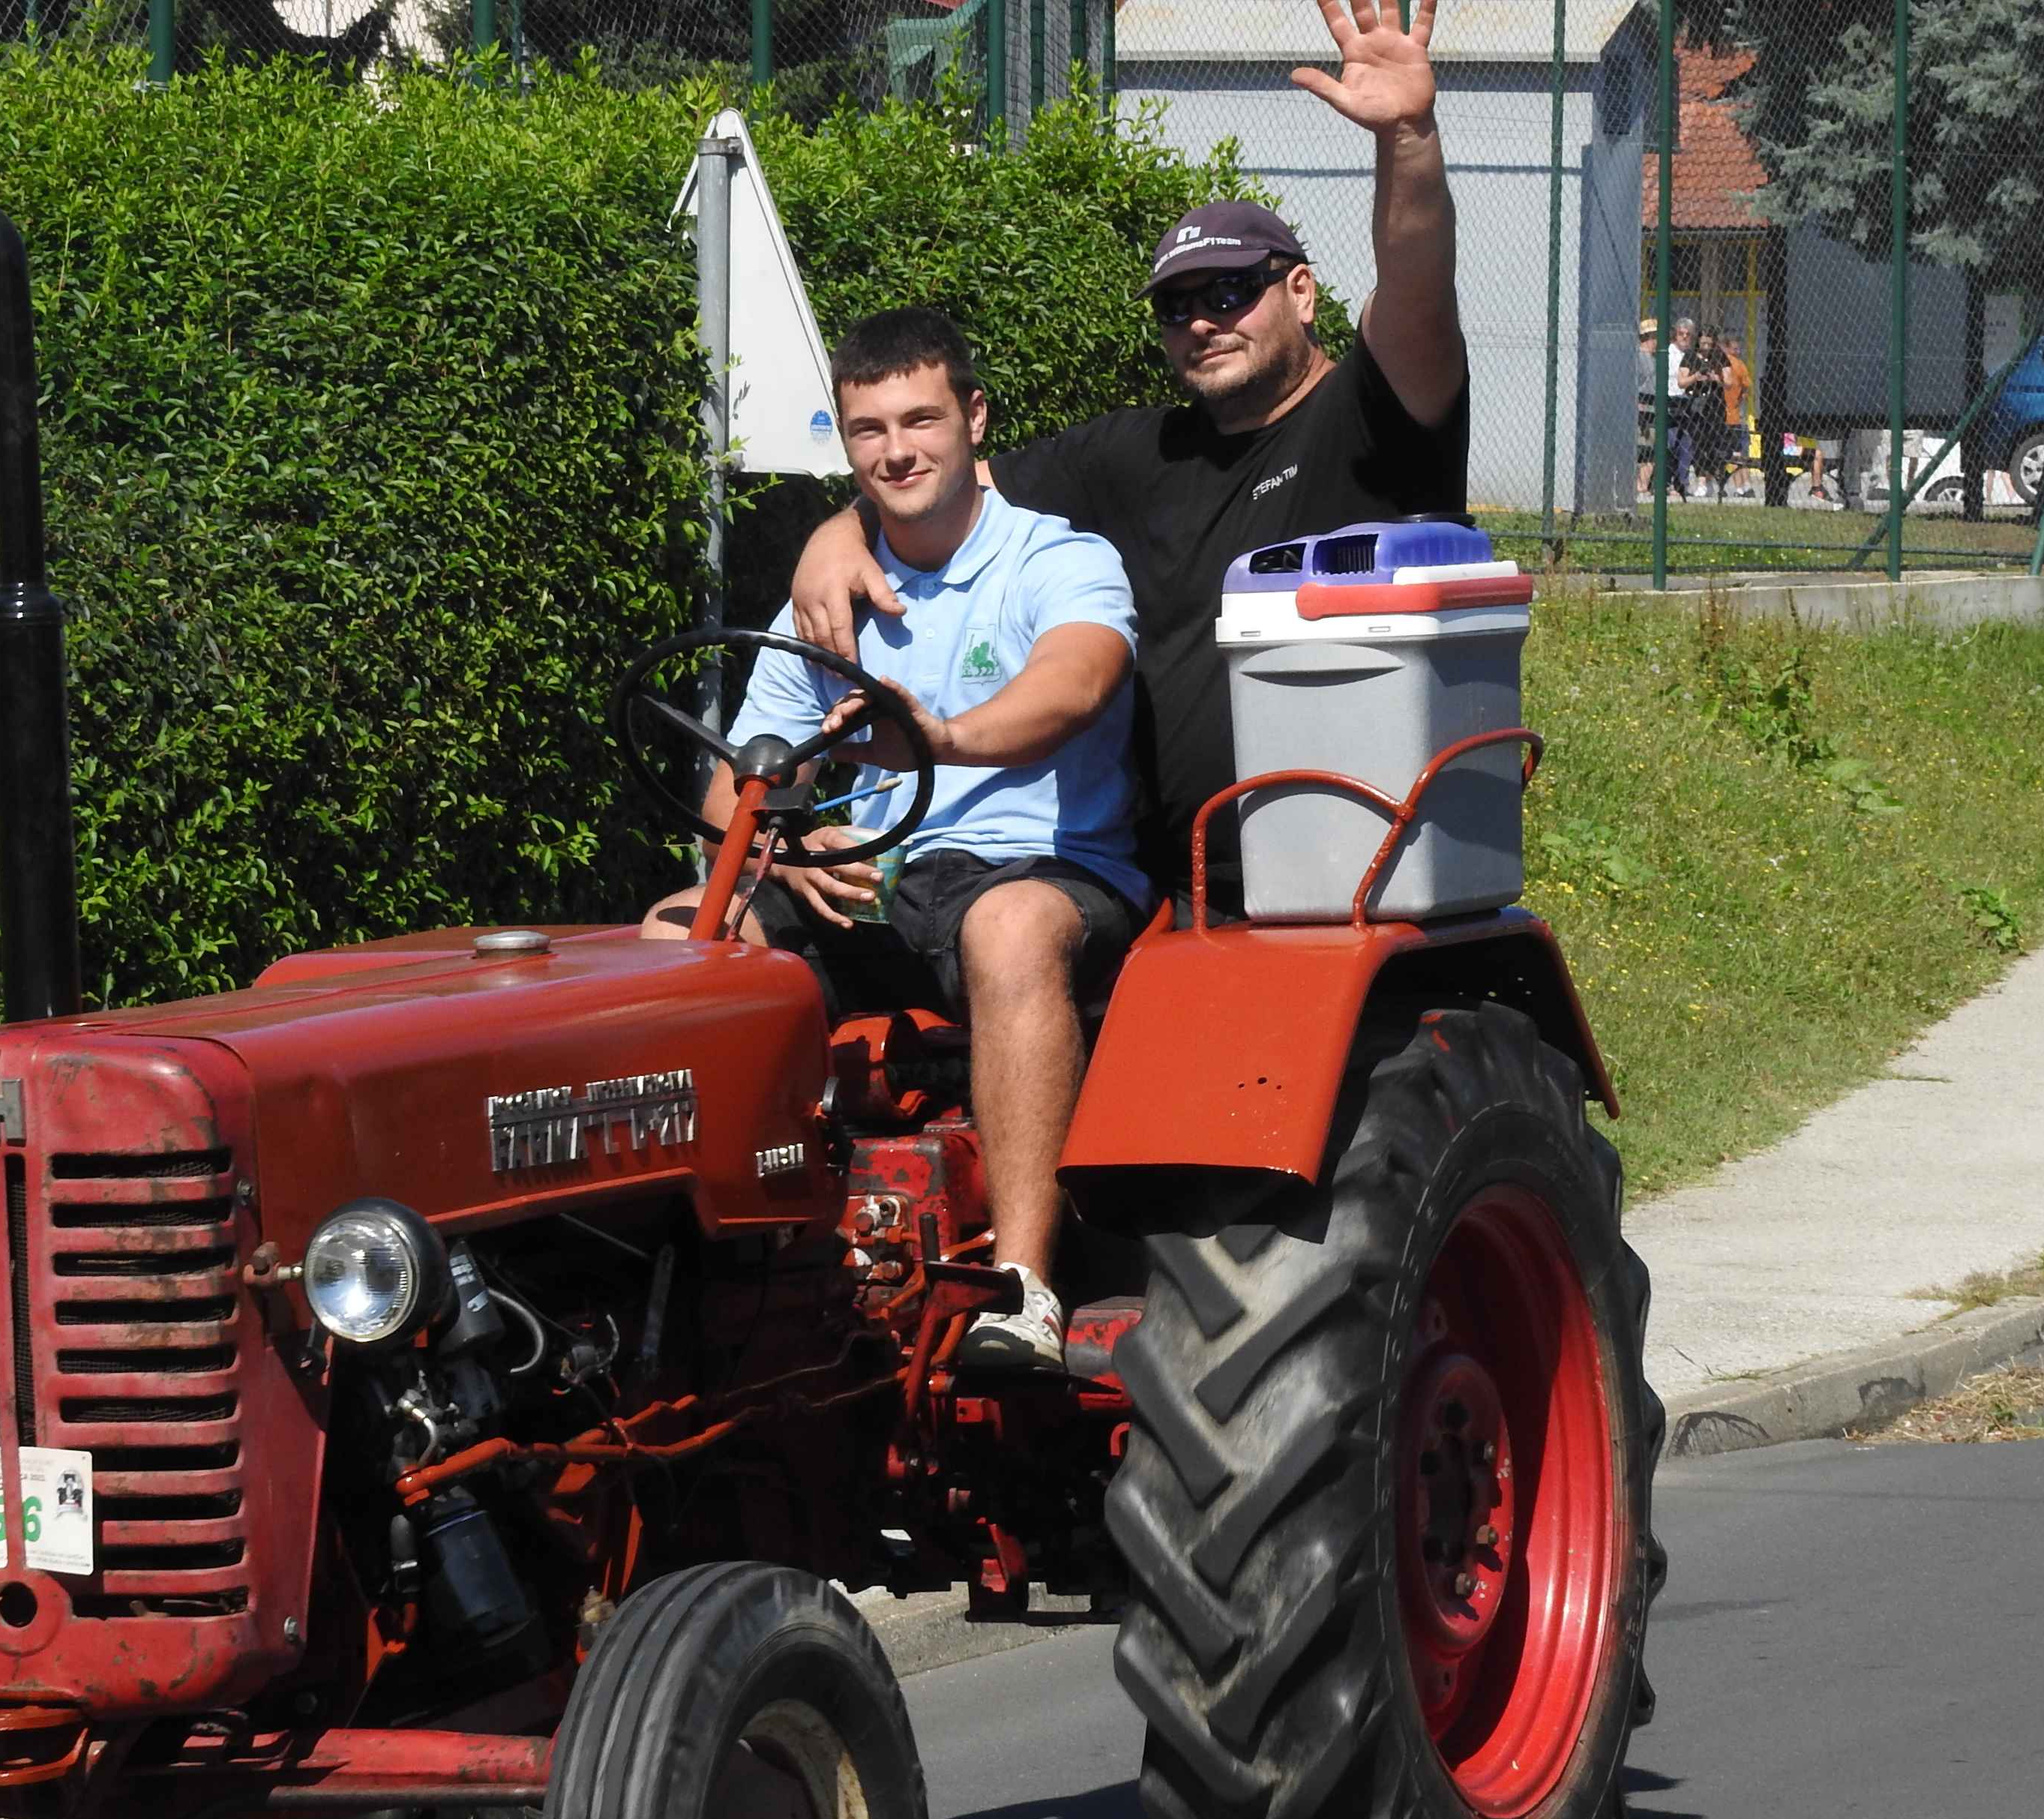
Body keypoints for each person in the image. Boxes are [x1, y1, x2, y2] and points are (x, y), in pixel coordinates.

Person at [789, 0, 1467, 915]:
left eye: (1230, 292)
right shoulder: (1135, 451)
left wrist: (1410, 141)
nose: (1200, 321)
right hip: (1165, 884)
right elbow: (935, 486)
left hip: (1355, 875)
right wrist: (838, 534)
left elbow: (1417, 281)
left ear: (1301, 293)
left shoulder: (1372, 417)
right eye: (1175, 305)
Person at [640, 307, 1143, 1373]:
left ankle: (1026, 1291)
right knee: (681, 928)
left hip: (1038, 869)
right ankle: (699, 1270)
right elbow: (745, 782)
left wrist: (943, 738)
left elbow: (1080, 679)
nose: (898, 450)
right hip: (874, 880)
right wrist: (795, 849)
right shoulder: (830, 594)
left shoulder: (1055, 560)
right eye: (870, 430)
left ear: (973, 419)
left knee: (1007, 930)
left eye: (921, 420)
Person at [1683, 328, 1726, 499]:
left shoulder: (1720, 358)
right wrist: (1696, 377)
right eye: (1703, 343)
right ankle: (1701, 481)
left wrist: (1716, 378)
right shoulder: (1690, 357)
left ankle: (1709, 480)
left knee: (1713, 445)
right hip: (1696, 406)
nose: (1706, 346)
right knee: (1698, 444)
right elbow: (1682, 381)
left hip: (1715, 407)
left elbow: (1729, 382)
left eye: (1710, 343)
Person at [1663, 317, 1697, 502]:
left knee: (1686, 445)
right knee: (1670, 444)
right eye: (1681, 334)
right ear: (1675, 334)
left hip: (1687, 403)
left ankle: (1682, 483)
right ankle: (1667, 483)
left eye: (1688, 335)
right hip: (1670, 402)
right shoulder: (1668, 353)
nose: (1684, 337)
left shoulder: (1692, 355)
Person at [1719, 333, 1756, 498]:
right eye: (1735, 348)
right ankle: (1745, 486)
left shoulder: (1720, 365)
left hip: (1724, 416)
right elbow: (1747, 388)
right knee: (1741, 453)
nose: (1738, 351)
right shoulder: (1740, 365)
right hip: (1737, 415)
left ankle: (1737, 487)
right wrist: (1740, 398)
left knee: (1730, 454)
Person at [1635, 319, 1659, 499]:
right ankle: (1639, 484)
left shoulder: (1655, 358)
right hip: (1641, 410)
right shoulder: (1638, 357)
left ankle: (1643, 485)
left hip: (1653, 410)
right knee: (1642, 449)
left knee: (1651, 450)